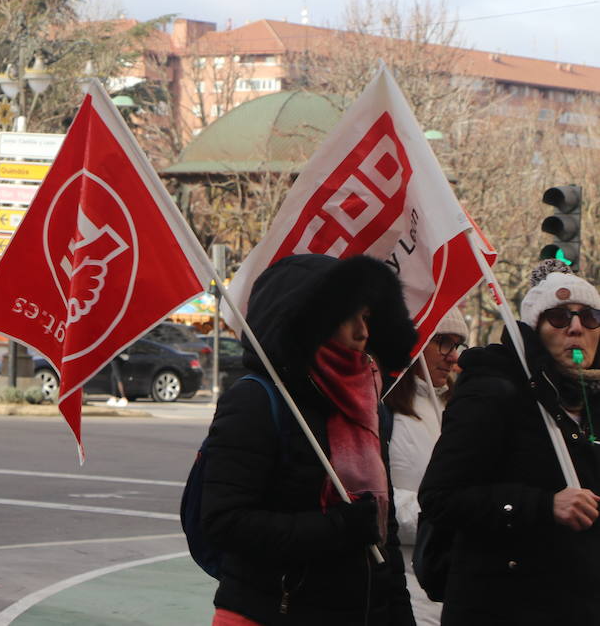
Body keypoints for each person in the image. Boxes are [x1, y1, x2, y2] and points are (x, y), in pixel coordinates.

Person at [199, 254, 416, 625]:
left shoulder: (365, 405)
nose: (363, 332)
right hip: (269, 612)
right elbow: (223, 521)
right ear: (310, 321)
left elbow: (383, 531)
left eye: (366, 317)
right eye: (348, 317)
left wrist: (397, 613)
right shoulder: (255, 400)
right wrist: (337, 528)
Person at [419, 259, 600, 624]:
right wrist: (542, 504)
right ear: (535, 329)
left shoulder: (592, 399)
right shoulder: (493, 389)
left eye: (590, 317)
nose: (576, 328)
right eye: (560, 318)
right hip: (503, 606)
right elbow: (440, 498)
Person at [384, 308, 468, 626]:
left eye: (457, 344)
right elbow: (374, 499)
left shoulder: (458, 408)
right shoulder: (384, 410)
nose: (452, 356)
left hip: (454, 590)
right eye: (442, 342)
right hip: (406, 593)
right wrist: (440, 516)